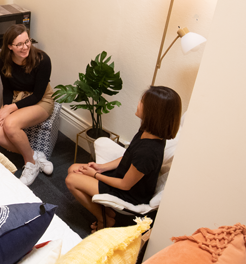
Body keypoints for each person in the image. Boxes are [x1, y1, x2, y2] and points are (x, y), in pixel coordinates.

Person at [65, 86, 181, 232]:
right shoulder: (146, 131)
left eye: (142, 101)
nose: (138, 103)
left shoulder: (149, 152)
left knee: (71, 180)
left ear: (153, 111)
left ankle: (105, 219)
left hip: (129, 193)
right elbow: (128, 156)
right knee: (73, 168)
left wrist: (95, 175)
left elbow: (125, 185)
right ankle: (108, 212)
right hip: (121, 176)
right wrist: (101, 167)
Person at [0, 24, 55, 185]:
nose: (25, 46)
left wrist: (9, 110)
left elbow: (37, 95)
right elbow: (7, 88)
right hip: (16, 97)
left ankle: (30, 163)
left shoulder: (42, 60)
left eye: (27, 41)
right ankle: (35, 155)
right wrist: (6, 107)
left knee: (10, 124)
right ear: (10, 47)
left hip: (41, 100)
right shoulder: (2, 59)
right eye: (19, 44)